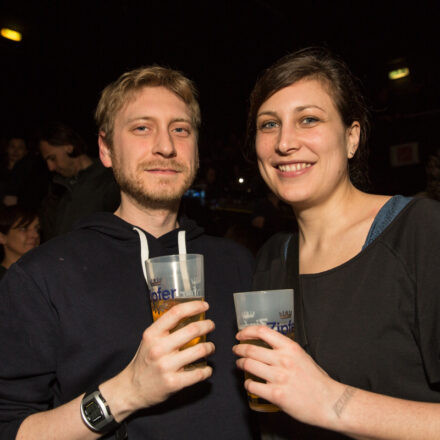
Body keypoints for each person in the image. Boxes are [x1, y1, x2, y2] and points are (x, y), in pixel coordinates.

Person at [0, 66, 255, 439]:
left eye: (180, 129)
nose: (165, 146)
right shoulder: (41, 276)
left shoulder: (238, 263)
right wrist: (126, 393)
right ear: (105, 149)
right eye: (141, 128)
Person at [233, 47, 440, 439]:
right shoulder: (272, 259)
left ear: (351, 137)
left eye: (308, 119)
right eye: (268, 124)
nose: (285, 143)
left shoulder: (421, 233)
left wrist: (333, 402)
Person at [37, 122, 120, 241]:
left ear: (68, 147)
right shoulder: (56, 189)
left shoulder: (109, 179)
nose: (50, 167)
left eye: (52, 158)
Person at [0, 206, 40, 280]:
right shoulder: (4, 280)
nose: (35, 235)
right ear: (2, 237)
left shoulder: (43, 273)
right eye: (23, 229)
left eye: (36, 229)